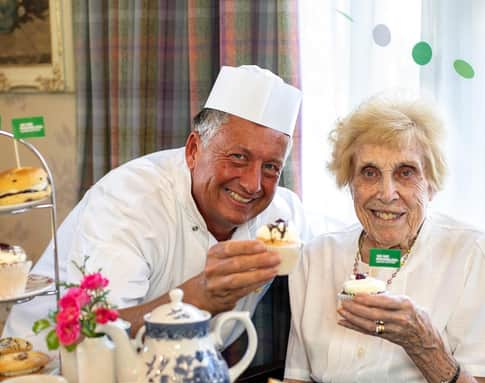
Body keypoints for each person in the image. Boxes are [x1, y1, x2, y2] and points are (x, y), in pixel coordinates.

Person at [4, 65, 310, 350]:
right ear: (193, 150)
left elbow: (335, 253)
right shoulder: (130, 200)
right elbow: (98, 336)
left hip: (177, 378)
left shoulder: (282, 213)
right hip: (55, 375)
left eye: (271, 167)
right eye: (238, 158)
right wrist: (195, 298)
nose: (253, 184)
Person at [284, 95, 485, 383]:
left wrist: (425, 345)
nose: (386, 193)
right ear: (349, 182)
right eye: (369, 172)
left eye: (406, 172)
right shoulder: (315, 257)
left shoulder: (475, 255)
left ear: (432, 183)